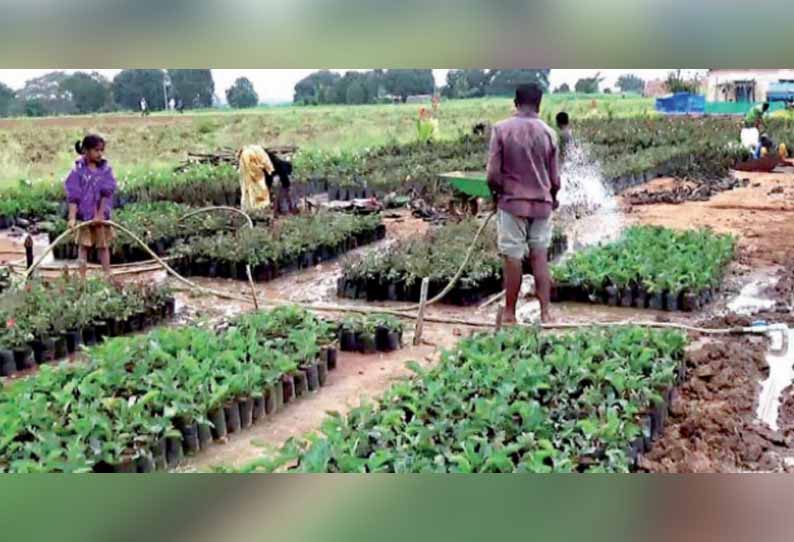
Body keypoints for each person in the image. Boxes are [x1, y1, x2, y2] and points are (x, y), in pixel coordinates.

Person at [487, 83, 561, 324]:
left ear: (515, 103)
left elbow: (492, 175)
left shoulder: (501, 130)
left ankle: (509, 313)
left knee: (513, 257)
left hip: (512, 203)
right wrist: (554, 197)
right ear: (539, 105)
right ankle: (546, 313)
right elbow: (555, 179)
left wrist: (496, 195)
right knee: (540, 256)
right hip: (542, 204)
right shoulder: (549, 133)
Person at [64, 134, 117, 277]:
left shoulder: (105, 171)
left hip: (101, 216)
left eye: (101, 150)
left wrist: (100, 215)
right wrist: (72, 218)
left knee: (103, 246)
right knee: (83, 247)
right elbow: (73, 197)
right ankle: (82, 278)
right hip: (85, 217)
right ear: (86, 151)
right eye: (96, 150)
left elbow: (106, 193)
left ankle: (107, 275)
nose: (100, 154)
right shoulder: (77, 172)